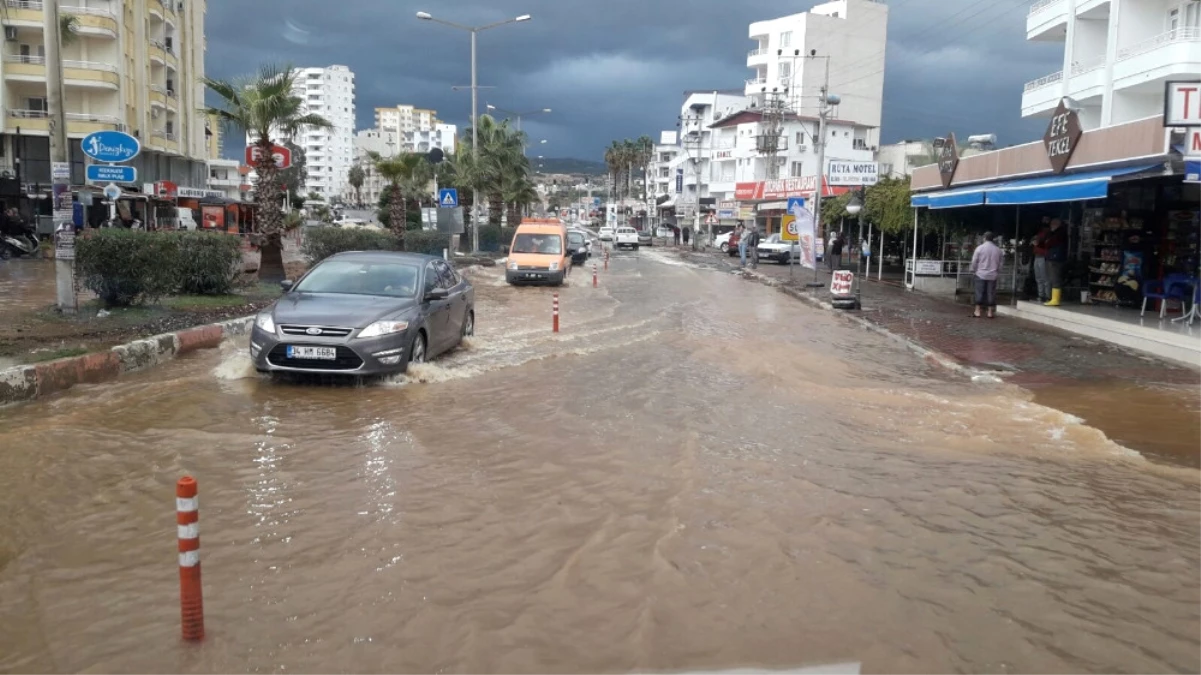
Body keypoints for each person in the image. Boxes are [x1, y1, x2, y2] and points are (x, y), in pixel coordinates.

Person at [969, 231, 1003, 319]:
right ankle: (990, 312)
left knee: (979, 292)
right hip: (993, 275)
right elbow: (1001, 264)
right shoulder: (998, 250)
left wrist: (973, 270)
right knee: (991, 293)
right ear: (993, 239)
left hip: (980, 274)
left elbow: (974, 261)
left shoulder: (979, 248)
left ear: (984, 238)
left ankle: (977, 311)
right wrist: (997, 271)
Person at [1043, 217, 1068, 307]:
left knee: (1055, 278)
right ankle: (1052, 297)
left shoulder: (1060, 233)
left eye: (1053, 224)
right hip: (1052, 257)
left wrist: (1047, 241)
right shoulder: (1054, 232)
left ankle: (1055, 299)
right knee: (1051, 278)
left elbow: (1050, 243)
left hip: (1056, 258)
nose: (1051, 225)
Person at [1032, 216, 1051, 302]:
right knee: (1039, 277)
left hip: (1043, 256)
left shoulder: (1048, 232)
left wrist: (1037, 242)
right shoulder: (1040, 231)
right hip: (1038, 255)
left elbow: (1043, 242)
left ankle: (1047, 295)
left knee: (1044, 277)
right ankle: (1041, 295)